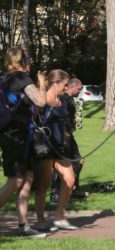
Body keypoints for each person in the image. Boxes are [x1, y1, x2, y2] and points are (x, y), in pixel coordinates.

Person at [0, 47, 47, 238]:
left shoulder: (5, 80)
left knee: (27, 178)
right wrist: (42, 83)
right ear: (22, 62)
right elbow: (41, 102)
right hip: (16, 136)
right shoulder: (21, 78)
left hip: (13, 134)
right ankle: (22, 225)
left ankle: (23, 226)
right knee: (16, 179)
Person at [33, 69, 78, 231]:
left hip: (60, 147)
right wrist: (41, 85)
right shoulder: (43, 99)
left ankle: (59, 215)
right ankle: (40, 221)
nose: (66, 88)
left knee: (70, 179)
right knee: (43, 185)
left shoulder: (62, 100)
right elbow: (36, 112)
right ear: (56, 83)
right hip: (45, 147)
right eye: (64, 85)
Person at [50, 78, 85, 204]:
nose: (81, 91)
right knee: (60, 165)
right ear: (72, 86)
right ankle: (55, 193)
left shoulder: (70, 99)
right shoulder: (63, 99)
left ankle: (73, 188)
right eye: (80, 88)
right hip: (62, 136)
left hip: (69, 134)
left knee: (79, 161)